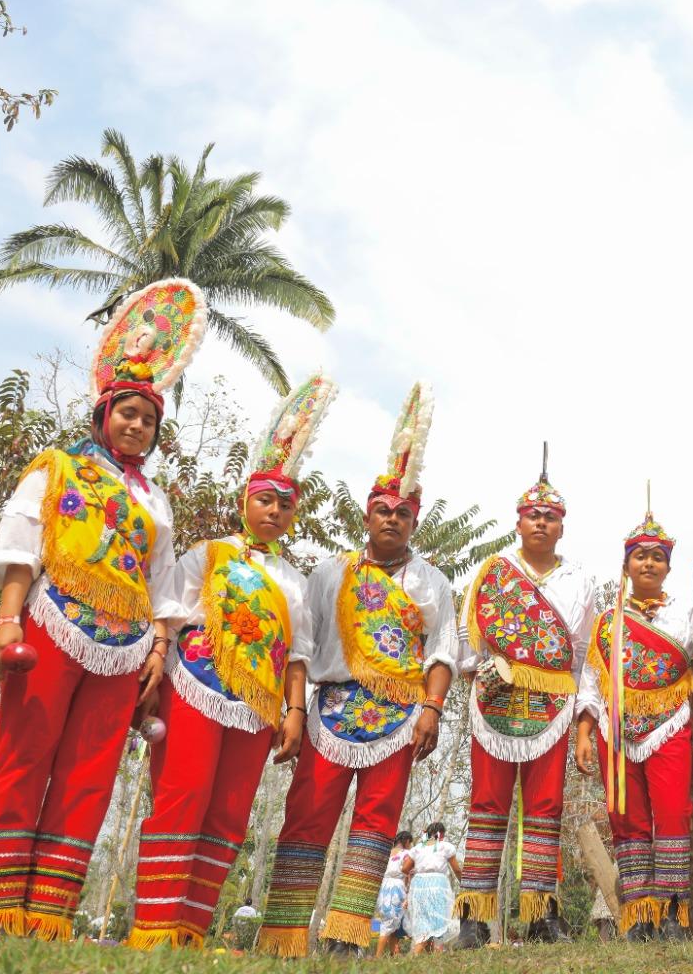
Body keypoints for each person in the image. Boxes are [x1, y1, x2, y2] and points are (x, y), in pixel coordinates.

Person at [0, 280, 207, 940]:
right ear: (103, 414)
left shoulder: (158, 504)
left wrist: (158, 652)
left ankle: (49, 915)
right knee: (21, 754)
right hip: (53, 624)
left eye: (148, 420)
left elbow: (164, 587)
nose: (137, 425)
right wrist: (7, 620)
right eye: (127, 413)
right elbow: (21, 546)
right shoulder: (58, 467)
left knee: (90, 775)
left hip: (123, 649)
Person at [127, 375, 333, 949]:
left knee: (228, 815)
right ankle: (152, 930)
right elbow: (169, 610)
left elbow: (298, 654)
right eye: (265, 499)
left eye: (285, 504)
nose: (274, 510)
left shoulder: (294, 580)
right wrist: (156, 660)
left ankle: (190, 931)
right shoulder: (210, 553)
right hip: (193, 686)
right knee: (180, 798)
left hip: (257, 706)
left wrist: (294, 712)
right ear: (247, 501)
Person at [256, 383, 457, 956]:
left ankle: (345, 938)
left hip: (397, 716)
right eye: (382, 510)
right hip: (332, 711)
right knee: (307, 814)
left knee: (375, 826)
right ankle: (283, 936)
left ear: (414, 522)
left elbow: (441, 652)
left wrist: (432, 710)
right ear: (367, 515)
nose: (391, 519)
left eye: (402, 513)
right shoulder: (329, 572)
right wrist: (292, 708)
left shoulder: (430, 582)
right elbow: (301, 643)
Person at [574, 507, 693, 940]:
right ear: (626, 565)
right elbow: (589, 681)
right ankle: (639, 915)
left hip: (669, 725)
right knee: (627, 817)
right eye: (640, 556)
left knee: (674, 813)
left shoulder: (687, 610)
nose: (649, 563)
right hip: (614, 731)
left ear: (669, 567)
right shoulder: (607, 622)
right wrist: (584, 732)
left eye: (657, 557)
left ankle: (673, 915)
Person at [457, 448, 597, 946]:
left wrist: (585, 720)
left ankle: (541, 915)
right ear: (518, 521)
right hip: (493, 704)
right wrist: (480, 669)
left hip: (554, 705)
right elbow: (468, 637)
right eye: (533, 514)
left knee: (546, 805)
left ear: (562, 526)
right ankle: (473, 917)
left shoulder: (579, 579)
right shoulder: (493, 571)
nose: (541, 522)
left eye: (551, 516)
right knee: (487, 803)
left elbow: (583, 655)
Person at [403, 822, 461, 953]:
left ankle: (427, 955)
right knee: (439, 920)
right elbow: (456, 869)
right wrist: (463, 882)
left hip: (419, 885)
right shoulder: (445, 846)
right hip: (437, 884)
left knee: (423, 920)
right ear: (441, 834)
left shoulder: (417, 848)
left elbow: (405, 868)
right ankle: (428, 953)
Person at [373, 830, 413, 957]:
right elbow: (409, 873)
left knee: (392, 923)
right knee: (389, 923)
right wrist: (408, 893)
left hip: (384, 887)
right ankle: (377, 956)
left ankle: (393, 953)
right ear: (407, 841)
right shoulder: (407, 853)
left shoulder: (387, 853)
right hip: (397, 887)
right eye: (410, 843)